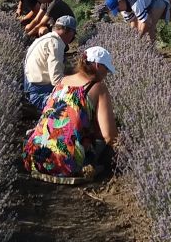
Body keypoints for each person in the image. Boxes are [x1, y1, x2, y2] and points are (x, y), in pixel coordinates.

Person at [23, 46, 119, 183]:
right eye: (106, 69)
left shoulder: (63, 81)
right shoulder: (97, 87)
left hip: (33, 156)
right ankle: (88, 167)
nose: (106, 74)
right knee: (103, 147)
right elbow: (110, 136)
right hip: (64, 163)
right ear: (97, 66)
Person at [23, 15, 76, 110]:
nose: (72, 38)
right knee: (74, 106)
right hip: (40, 94)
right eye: (73, 34)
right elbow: (57, 80)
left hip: (30, 87)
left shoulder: (45, 38)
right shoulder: (55, 44)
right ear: (68, 32)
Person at [105, 0, 170, 41]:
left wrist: (138, 39)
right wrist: (132, 38)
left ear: (119, 1)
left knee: (150, 26)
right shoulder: (123, 5)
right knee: (140, 27)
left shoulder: (134, 0)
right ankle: (147, 47)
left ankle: (151, 48)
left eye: (118, 9)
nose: (119, 11)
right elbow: (133, 22)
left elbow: (147, 22)